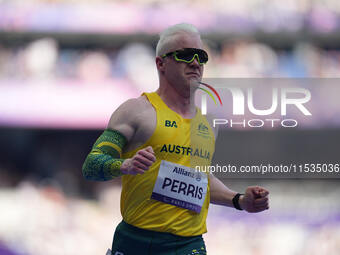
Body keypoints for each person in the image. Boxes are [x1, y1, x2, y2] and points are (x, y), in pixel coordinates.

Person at [82, 23, 269, 255]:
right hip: (136, 241)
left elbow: (199, 179)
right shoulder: (137, 111)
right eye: (184, 55)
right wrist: (125, 165)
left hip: (189, 244)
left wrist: (239, 200)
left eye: (201, 56)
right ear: (161, 63)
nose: (195, 63)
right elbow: (91, 166)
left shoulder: (208, 124)